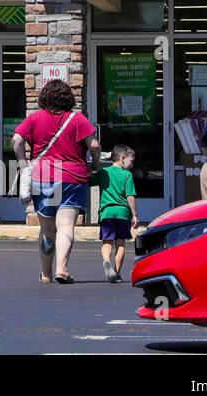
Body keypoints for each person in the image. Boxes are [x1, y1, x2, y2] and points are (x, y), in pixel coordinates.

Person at [13, 79, 99, 284]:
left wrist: (24, 163)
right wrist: (96, 165)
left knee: (47, 228)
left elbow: (16, 140)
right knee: (66, 224)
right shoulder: (77, 120)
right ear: (67, 97)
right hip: (72, 176)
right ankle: (62, 268)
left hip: (42, 176)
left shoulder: (35, 119)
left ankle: (46, 273)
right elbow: (94, 145)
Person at [95, 145, 140, 283]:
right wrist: (135, 215)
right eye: (131, 161)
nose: (132, 165)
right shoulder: (127, 175)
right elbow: (130, 196)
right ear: (122, 158)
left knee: (107, 241)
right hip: (122, 214)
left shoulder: (104, 172)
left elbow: (89, 181)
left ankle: (106, 260)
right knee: (120, 244)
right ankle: (117, 272)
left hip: (107, 213)